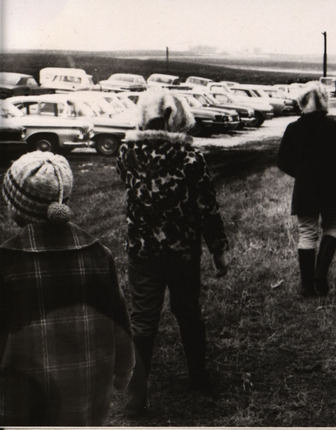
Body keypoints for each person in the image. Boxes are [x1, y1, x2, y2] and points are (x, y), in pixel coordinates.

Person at [117, 90, 230, 417]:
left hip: (142, 250)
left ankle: (136, 396)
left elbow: (127, 182)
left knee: (142, 319)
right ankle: (199, 377)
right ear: (179, 117)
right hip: (182, 251)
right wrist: (219, 250)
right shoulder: (192, 159)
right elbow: (207, 207)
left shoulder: (127, 153)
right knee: (188, 311)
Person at [0, 151, 134, 426]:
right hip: (86, 393)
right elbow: (119, 319)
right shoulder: (98, 254)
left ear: (15, 207)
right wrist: (124, 368)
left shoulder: (7, 262)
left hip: (23, 398)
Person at [278, 84, 336, 298]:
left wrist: (300, 173)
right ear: (325, 101)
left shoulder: (293, 128)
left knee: (306, 233)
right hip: (331, 187)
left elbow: (282, 161)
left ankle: (307, 287)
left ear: (301, 103)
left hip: (305, 188)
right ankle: (320, 275)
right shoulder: (333, 127)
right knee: (331, 227)